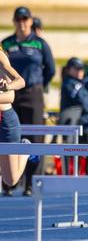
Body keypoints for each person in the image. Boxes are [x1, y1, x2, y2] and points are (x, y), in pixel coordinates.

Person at [1, 6, 55, 196]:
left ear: (30, 21)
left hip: (26, 97)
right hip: (11, 104)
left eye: (25, 19)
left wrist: (9, 86)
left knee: (12, 175)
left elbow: (49, 69)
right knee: (8, 178)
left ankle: (31, 181)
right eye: (18, 19)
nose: (22, 22)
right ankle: (7, 188)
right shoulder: (7, 43)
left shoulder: (39, 44)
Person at [0, 47, 29, 196]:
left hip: (4, 120)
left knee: (10, 180)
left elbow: (20, 83)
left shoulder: (0, 57)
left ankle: (25, 151)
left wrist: (8, 86)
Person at [60, 57, 88, 143]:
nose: (80, 71)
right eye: (77, 69)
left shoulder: (79, 83)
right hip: (76, 124)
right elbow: (85, 104)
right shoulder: (70, 84)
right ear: (69, 70)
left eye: (81, 69)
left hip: (81, 122)